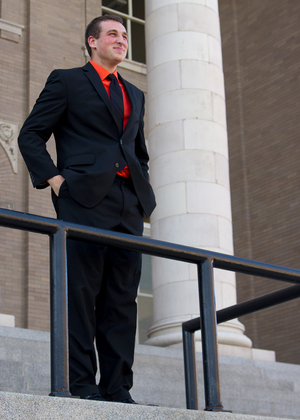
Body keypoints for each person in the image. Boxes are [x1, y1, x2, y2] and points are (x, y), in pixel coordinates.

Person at [18, 14, 156, 403]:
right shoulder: (67, 80)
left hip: (128, 206)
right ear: (92, 42)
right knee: (80, 296)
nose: (122, 39)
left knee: (122, 301)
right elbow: (31, 135)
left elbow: (138, 152)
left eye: (125, 35)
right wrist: (57, 181)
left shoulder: (136, 94)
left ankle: (118, 389)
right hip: (83, 200)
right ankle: (82, 385)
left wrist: (141, 188)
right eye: (113, 33)